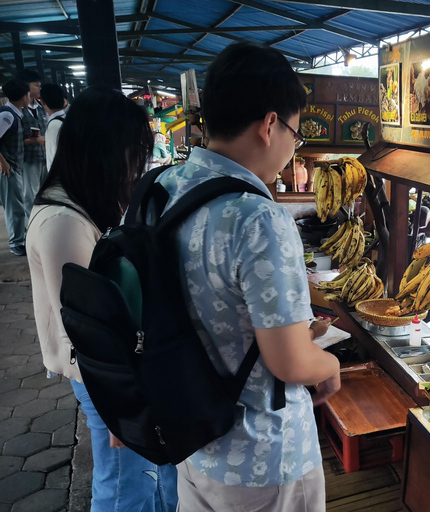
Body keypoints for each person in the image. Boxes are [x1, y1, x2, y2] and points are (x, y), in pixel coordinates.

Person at [150, 42, 339, 511]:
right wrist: (329, 367)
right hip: (263, 458)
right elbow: (291, 363)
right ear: (270, 125)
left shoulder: (163, 188)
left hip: (191, 436)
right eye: (296, 133)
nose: (293, 148)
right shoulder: (258, 218)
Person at [26, 86, 178, 512]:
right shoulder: (63, 222)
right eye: (134, 154)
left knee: (148, 478)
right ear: (104, 150)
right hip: (104, 379)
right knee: (124, 490)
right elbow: (88, 330)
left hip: (112, 376)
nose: (137, 166)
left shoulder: (80, 203)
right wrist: (121, 407)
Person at [0, 78, 31, 256]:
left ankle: (19, 238)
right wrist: (3, 163)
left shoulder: (15, 114)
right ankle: (16, 243)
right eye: (28, 95)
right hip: (8, 168)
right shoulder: (7, 115)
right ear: (23, 97)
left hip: (14, 167)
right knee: (14, 207)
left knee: (16, 204)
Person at [18, 69, 47, 218]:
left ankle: (42, 219)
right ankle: (31, 223)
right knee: (30, 194)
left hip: (44, 158)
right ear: (26, 86)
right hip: (29, 159)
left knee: (44, 192)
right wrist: (34, 140)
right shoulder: (19, 111)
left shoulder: (41, 108)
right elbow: (14, 139)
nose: (39, 88)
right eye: (36, 85)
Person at [39, 83, 67, 171]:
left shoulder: (54, 125)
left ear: (43, 103)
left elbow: (54, 157)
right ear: (64, 101)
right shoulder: (68, 119)